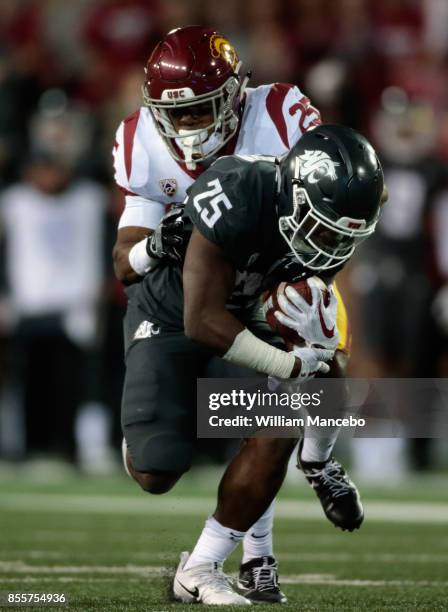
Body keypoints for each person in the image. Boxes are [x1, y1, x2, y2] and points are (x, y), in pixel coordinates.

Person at [119, 123, 385, 605]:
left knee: (311, 386)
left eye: (344, 233)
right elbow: (201, 320)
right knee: (157, 469)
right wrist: (287, 366)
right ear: (297, 194)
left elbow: (320, 361)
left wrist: (312, 357)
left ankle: (202, 565)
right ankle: (155, 428)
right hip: (174, 315)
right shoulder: (237, 190)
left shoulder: (327, 229)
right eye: (324, 227)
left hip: (252, 310)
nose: (332, 246)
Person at [112, 25, 325, 604]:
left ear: (236, 94)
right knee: (157, 472)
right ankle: (156, 429)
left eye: (203, 110)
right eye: (175, 115)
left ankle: (228, 560)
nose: (189, 127)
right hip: (175, 299)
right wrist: (155, 245)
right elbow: (123, 262)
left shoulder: (280, 113)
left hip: (255, 293)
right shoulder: (140, 137)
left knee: (286, 409)